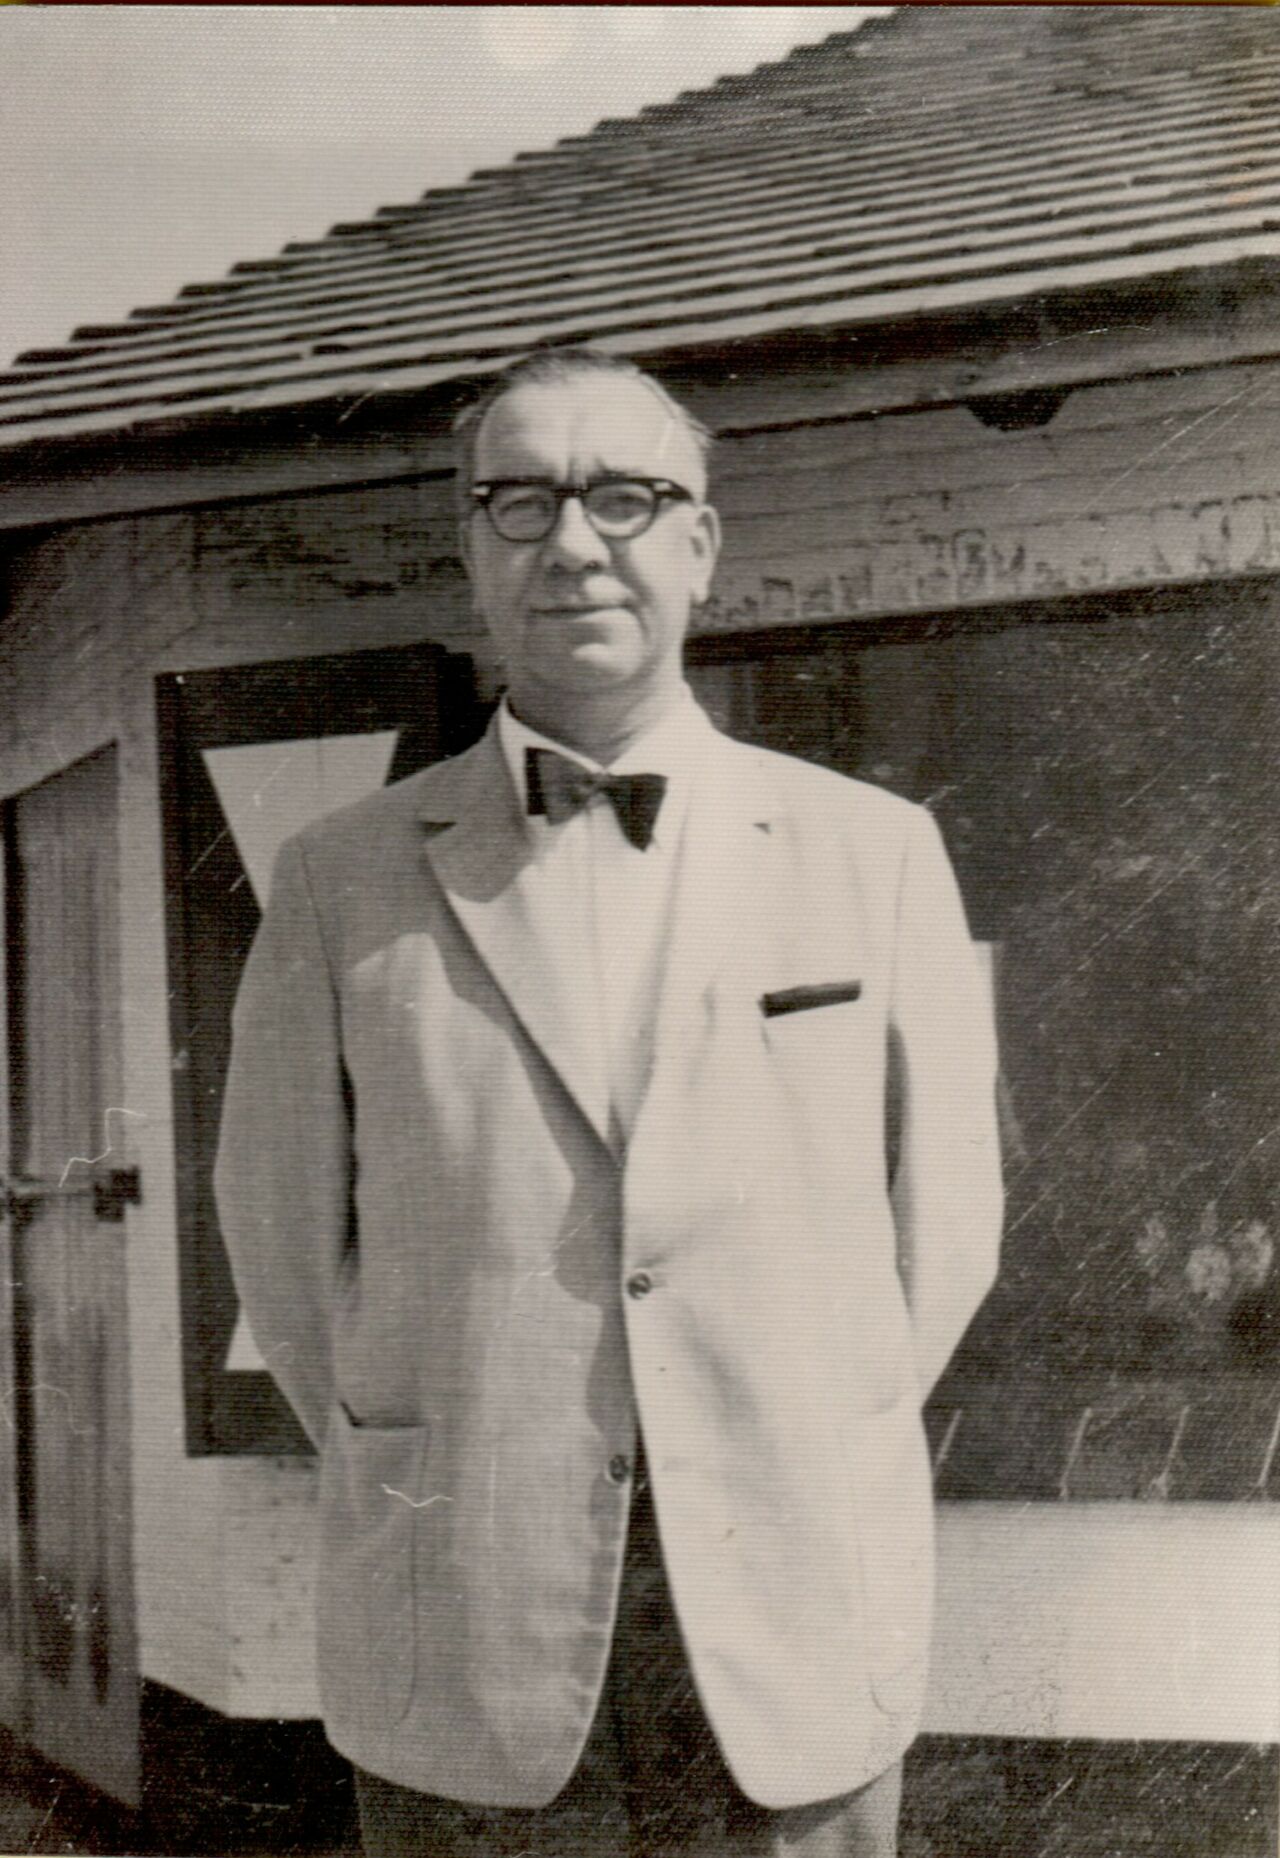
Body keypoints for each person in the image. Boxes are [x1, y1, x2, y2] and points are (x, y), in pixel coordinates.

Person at [214, 347, 1004, 1857]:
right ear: (469, 554)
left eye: (625, 498)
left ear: (699, 544)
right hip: (467, 1626)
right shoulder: (336, 881)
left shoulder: (875, 851)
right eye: (520, 502)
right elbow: (287, 1257)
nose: (573, 542)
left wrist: (797, 1434)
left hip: (792, 1613)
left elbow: (947, 1228)